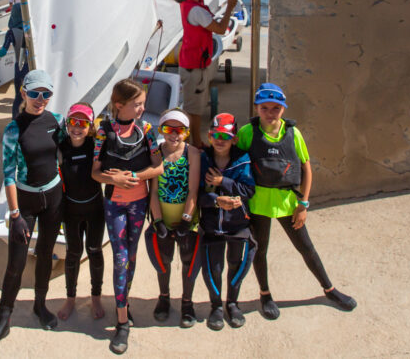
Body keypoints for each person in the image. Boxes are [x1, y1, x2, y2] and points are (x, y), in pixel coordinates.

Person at [237, 83, 356, 321]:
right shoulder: (247, 133)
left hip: (288, 202)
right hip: (258, 203)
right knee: (260, 251)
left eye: (276, 109)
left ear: (283, 109)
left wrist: (304, 204)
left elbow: (306, 167)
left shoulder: (293, 133)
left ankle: (329, 289)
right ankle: (265, 294)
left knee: (306, 248)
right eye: (265, 108)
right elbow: (236, 165)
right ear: (257, 108)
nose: (270, 113)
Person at [0, 70, 64, 355]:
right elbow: (9, 174)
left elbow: (69, 153)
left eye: (46, 94)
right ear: (23, 93)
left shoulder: (57, 121)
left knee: (45, 254)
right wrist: (14, 215)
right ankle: (4, 318)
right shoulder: (13, 129)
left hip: (53, 197)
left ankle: (40, 305)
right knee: (15, 262)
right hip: (24, 202)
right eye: (35, 93)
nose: (41, 100)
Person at [91, 79, 164, 355]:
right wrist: (115, 179)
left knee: (131, 258)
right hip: (115, 206)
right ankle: (122, 323)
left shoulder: (146, 130)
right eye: (137, 104)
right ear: (120, 105)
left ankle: (123, 303)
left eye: (143, 103)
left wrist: (134, 176)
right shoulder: (104, 131)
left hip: (138, 205)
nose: (143, 108)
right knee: (120, 260)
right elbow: (95, 172)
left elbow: (158, 167)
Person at [168, 0, 239, 147]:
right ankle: (196, 144)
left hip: (194, 62)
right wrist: (230, 7)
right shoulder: (196, 11)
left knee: (195, 105)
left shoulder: (191, 0)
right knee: (194, 109)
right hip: (194, 68)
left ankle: (194, 142)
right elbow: (219, 28)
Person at [143, 108, 203, 327]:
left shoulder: (193, 153)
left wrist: (187, 220)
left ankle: (187, 303)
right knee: (163, 262)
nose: (174, 135)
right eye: (169, 129)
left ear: (186, 133)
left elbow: (193, 191)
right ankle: (164, 297)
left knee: (188, 262)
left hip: (187, 218)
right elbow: (154, 191)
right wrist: (158, 222)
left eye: (180, 130)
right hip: (163, 218)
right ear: (162, 130)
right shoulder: (157, 153)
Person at [197, 113, 255, 330]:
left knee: (235, 263)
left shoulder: (243, 159)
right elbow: (195, 193)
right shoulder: (203, 159)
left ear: (234, 139)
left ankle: (232, 302)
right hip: (212, 225)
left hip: (237, 224)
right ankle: (216, 306)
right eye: (215, 135)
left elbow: (249, 190)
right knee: (214, 266)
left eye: (225, 135)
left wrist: (224, 182)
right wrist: (215, 200)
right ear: (209, 136)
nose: (220, 140)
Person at [57, 102, 106, 321]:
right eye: (72, 122)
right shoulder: (61, 147)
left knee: (95, 250)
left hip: (95, 209)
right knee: (73, 254)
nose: (77, 128)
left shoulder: (95, 146)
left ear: (90, 126)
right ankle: (70, 298)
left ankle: (96, 296)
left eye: (82, 123)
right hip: (72, 210)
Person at [0, 0, 28, 118]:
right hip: (32, 65)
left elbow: (3, 51)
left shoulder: (11, 32)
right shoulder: (30, 29)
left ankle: (16, 119)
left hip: (19, 67)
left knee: (19, 96)